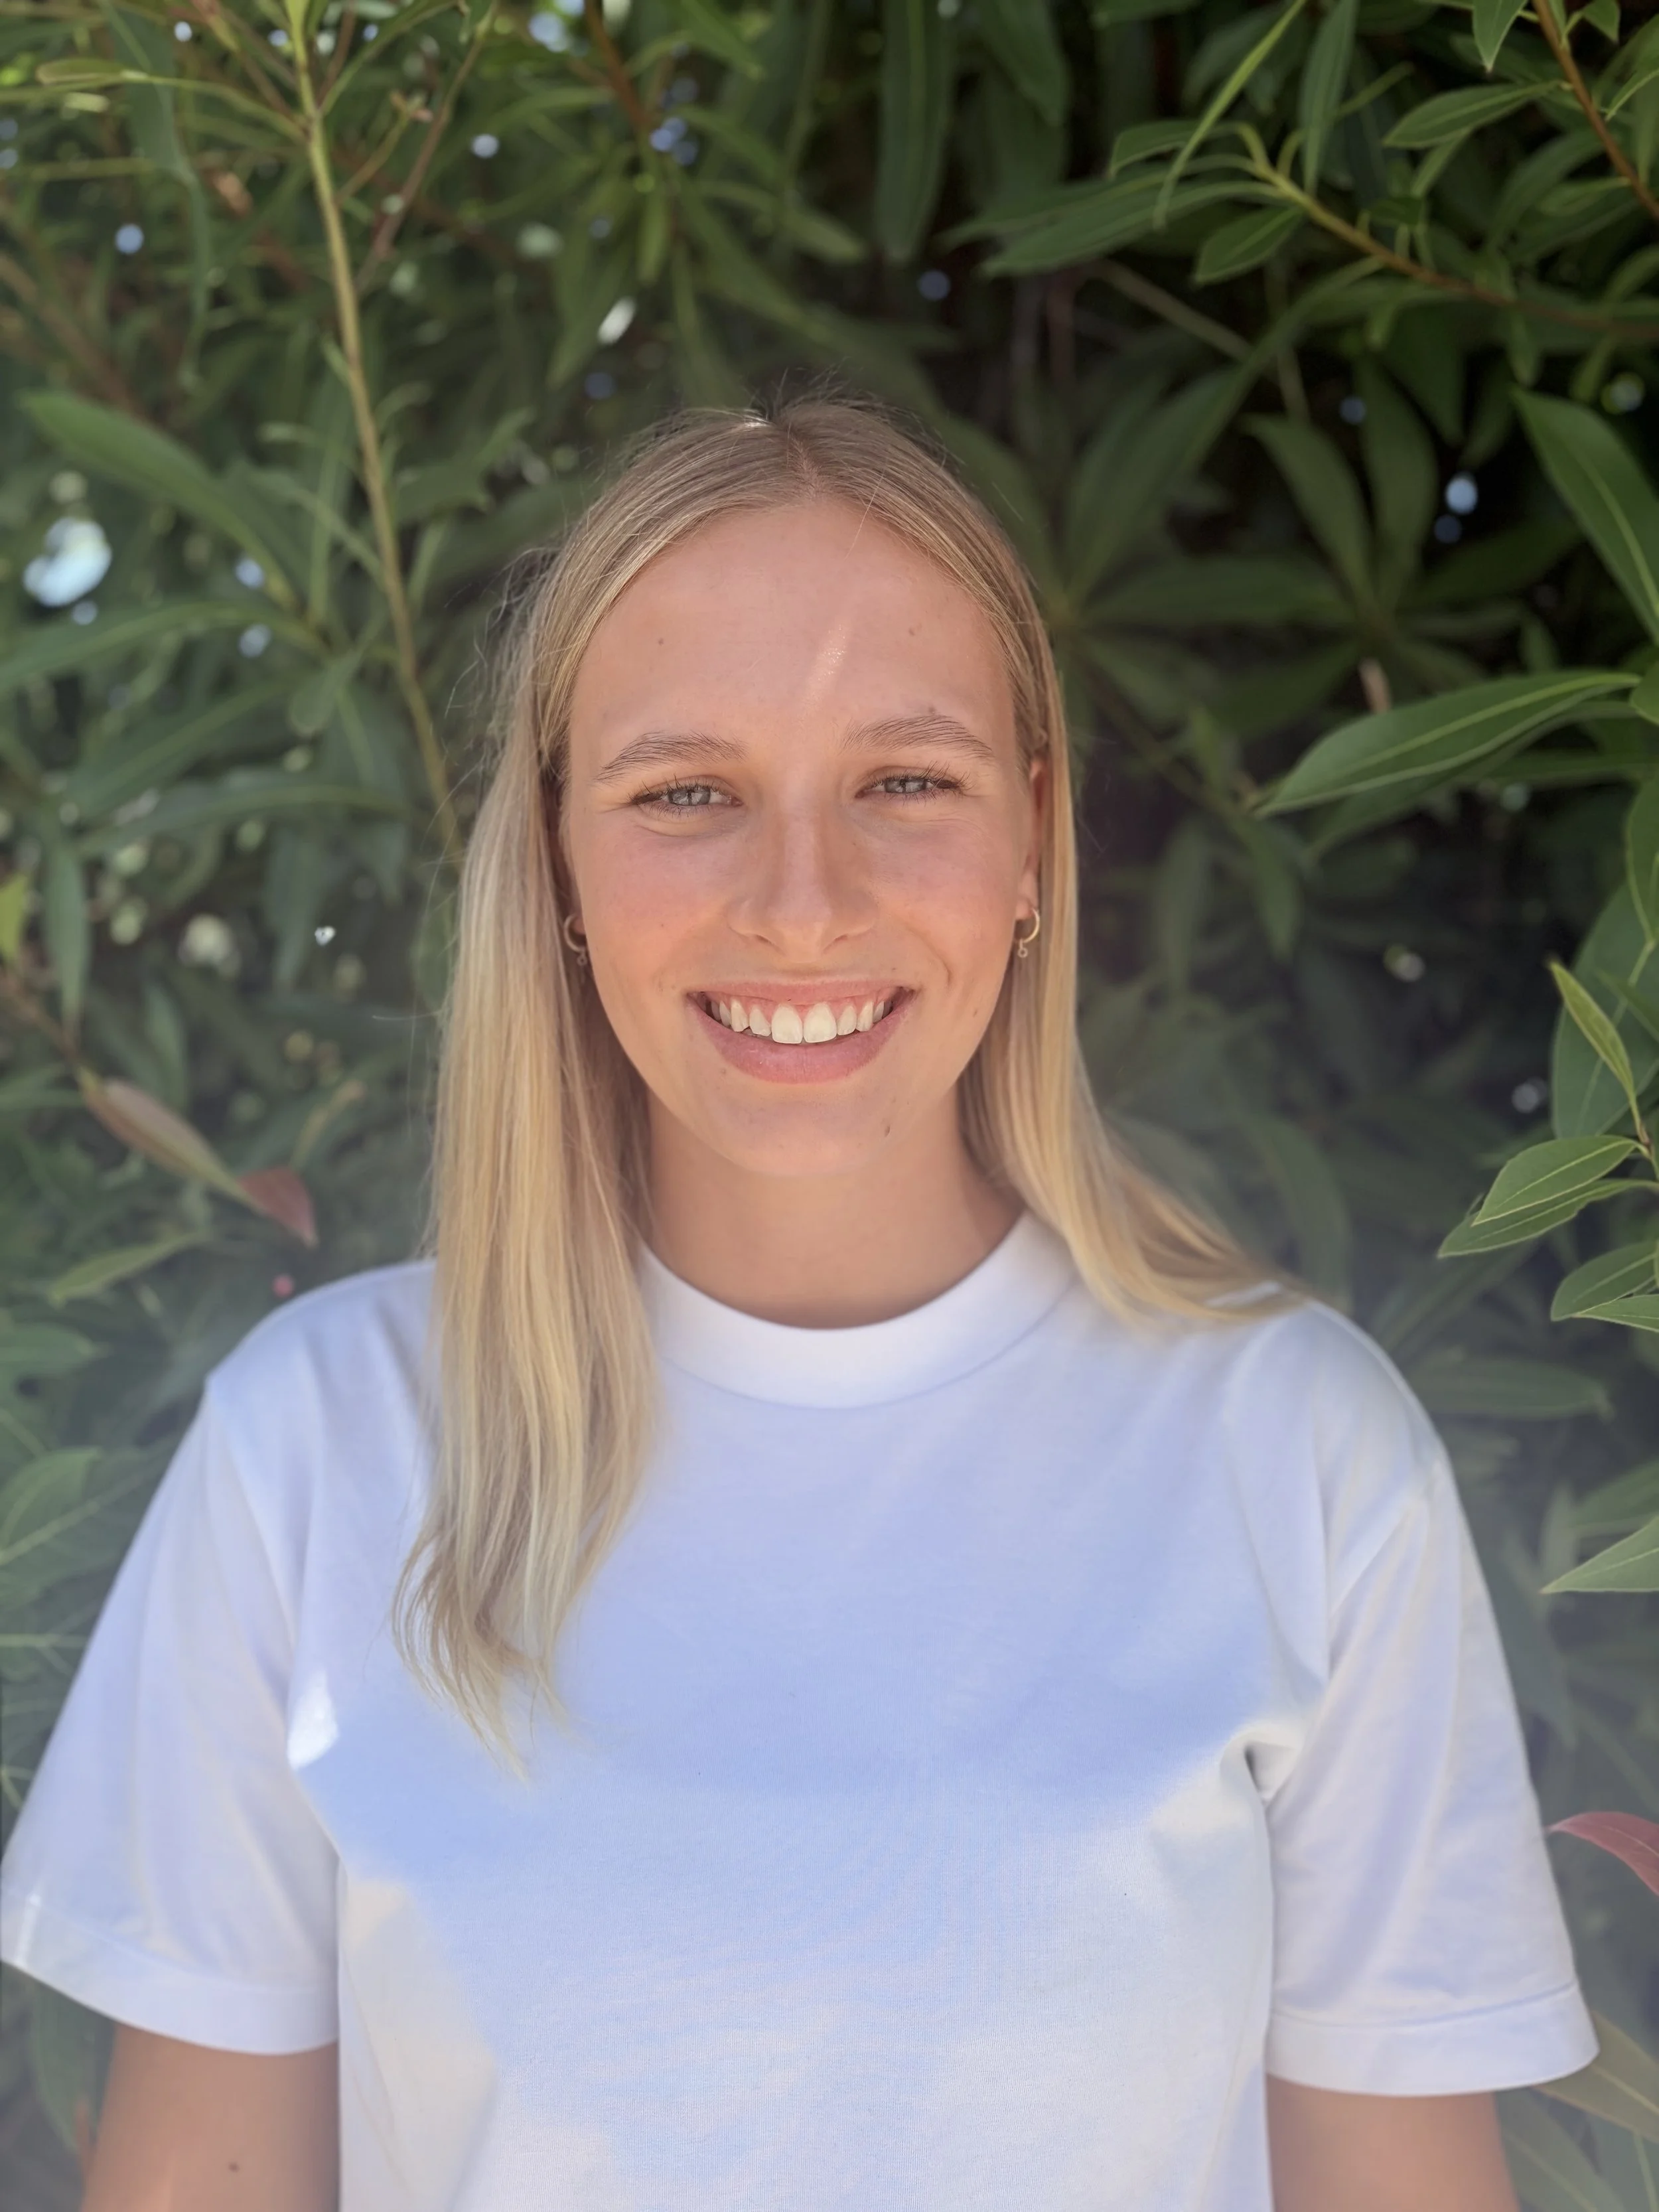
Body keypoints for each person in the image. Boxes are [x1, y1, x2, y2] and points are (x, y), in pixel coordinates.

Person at [1, 398, 1597, 2212]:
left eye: (903, 781)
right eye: (686, 792)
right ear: (558, 863)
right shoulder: (313, 1448)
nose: (801, 903)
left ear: (1029, 842)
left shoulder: (1293, 1449)